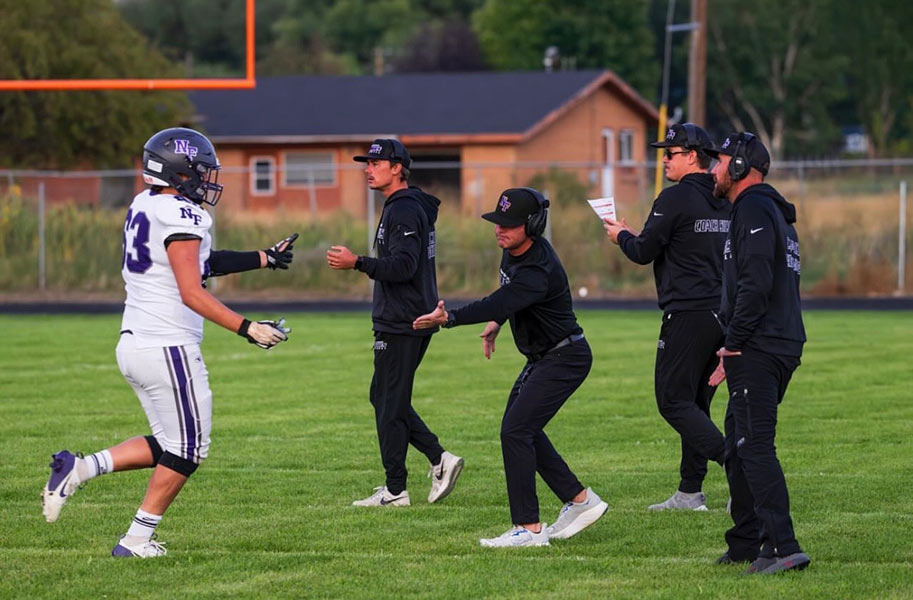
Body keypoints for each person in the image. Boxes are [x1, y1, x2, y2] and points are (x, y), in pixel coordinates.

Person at [41, 127, 295, 558]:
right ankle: (135, 540)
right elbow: (191, 290)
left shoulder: (146, 204)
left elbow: (200, 263)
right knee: (191, 448)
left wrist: (262, 258)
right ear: (178, 172)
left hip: (135, 343)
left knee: (170, 442)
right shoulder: (183, 215)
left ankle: (79, 469)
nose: (207, 180)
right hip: (167, 345)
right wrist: (247, 327)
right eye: (200, 171)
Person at [413, 187, 609, 548]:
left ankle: (529, 529)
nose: (499, 229)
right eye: (497, 222)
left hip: (563, 358)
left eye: (509, 224)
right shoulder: (513, 253)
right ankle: (580, 500)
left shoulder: (538, 267)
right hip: (544, 357)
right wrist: (497, 323)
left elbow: (502, 298)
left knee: (516, 431)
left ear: (532, 225)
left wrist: (449, 317)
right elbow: (509, 300)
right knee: (522, 429)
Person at [326, 138, 463, 507]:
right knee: (385, 398)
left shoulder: (404, 208)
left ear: (398, 167)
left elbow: (404, 266)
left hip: (402, 319)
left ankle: (411, 478)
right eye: (366, 164)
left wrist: (358, 262)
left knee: (389, 401)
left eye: (376, 163)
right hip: (407, 316)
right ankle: (411, 476)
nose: (368, 169)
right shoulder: (403, 205)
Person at [603, 123, 729, 511]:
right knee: (696, 403)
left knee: (673, 401)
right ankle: (690, 492)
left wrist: (620, 234)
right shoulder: (727, 198)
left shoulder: (673, 199)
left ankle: (740, 467)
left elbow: (642, 251)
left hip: (688, 313)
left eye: (670, 153)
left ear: (692, 156)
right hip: (722, 314)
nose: (664, 159)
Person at [706, 132, 810, 574]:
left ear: (739, 165)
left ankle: (782, 547)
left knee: (754, 445)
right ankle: (749, 542)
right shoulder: (768, 212)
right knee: (736, 441)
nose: (713, 168)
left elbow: (756, 282)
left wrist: (733, 341)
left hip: (759, 345)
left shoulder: (753, 208)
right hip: (771, 342)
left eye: (720, 160)